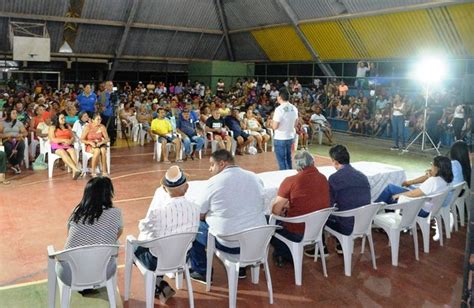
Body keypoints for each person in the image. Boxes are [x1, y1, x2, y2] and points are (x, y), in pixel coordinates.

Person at [188, 150, 267, 283]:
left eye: (212, 165)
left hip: (231, 243)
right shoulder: (254, 177)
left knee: (194, 225)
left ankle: (201, 271)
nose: (210, 169)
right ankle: (241, 269)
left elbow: (199, 214)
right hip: (257, 242)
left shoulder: (214, 182)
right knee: (247, 216)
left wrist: (210, 215)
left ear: (222, 164)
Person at [136, 166, 200, 303]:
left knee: (135, 246)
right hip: (182, 257)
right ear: (187, 187)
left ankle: (156, 284)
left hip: (158, 260)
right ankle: (160, 283)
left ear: (165, 189)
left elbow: (144, 229)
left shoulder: (158, 212)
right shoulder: (196, 209)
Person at [57, 177, 123, 290]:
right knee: (115, 242)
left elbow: (69, 235)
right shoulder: (116, 213)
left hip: (70, 274)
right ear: (109, 194)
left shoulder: (77, 212)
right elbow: (117, 234)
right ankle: (96, 279)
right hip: (102, 272)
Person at [270, 150, 329, 267]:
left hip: (297, 231)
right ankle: (287, 253)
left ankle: (285, 253)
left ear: (297, 166)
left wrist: (284, 205)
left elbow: (276, 211)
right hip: (317, 229)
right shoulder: (323, 178)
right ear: (312, 162)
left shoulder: (290, 181)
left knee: (268, 222)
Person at [325, 145, 371, 252]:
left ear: (335, 161)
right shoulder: (362, 176)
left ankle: (321, 248)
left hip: (347, 225)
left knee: (321, 216)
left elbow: (328, 205)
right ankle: (340, 243)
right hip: (364, 222)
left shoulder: (334, 178)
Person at [375, 156, 453, 218]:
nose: (431, 166)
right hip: (430, 207)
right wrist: (430, 175)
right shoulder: (446, 180)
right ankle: (385, 215)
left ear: (437, 168)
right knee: (391, 189)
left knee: (390, 194)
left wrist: (398, 195)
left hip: (421, 209)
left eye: (432, 165)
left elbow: (413, 194)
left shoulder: (433, 181)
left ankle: (372, 212)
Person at [49, 113, 82, 179]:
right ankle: (75, 169)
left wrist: (70, 141)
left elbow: (73, 137)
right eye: (61, 118)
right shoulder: (53, 127)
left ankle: (74, 173)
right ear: (57, 119)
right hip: (57, 145)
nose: (64, 119)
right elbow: (52, 139)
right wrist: (63, 140)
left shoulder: (67, 126)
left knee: (72, 151)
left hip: (67, 144)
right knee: (62, 152)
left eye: (64, 118)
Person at [272, 88, 298, 170]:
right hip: (290, 136)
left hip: (280, 138)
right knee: (288, 159)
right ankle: (290, 176)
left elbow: (275, 126)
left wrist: (271, 124)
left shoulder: (279, 109)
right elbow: (296, 123)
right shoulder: (294, 108)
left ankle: (283, 178)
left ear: (279, 97)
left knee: (282, 161)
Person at [0, 109, 28, 174]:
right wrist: (7, 135)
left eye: (16, 113)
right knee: (7, 146)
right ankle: (16, 165)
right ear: (9, 114)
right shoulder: (2, 123)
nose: (16, 115)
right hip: (7, 139)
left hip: (17, 139)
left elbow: (25, 132)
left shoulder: (19, 123)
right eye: (13, 113)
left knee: (22, 145)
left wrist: (20, 135)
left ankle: (15, 164)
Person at [98, 81, 117, 145]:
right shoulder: (103, 94)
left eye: (112, 85)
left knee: (112, 128)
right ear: (105, 86)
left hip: (113, 114)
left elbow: (117, 103)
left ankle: (112, 141)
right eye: (109, 85)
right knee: (105, 128)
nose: (111, 86)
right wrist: (109, 102)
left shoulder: (114, 94)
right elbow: (103, 105)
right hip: (105, 114)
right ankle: (104, 141)